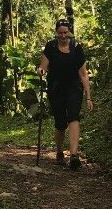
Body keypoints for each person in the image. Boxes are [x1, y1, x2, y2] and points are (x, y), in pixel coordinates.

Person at [37, 18, 93, 171]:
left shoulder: (76, 48)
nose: (62, 36)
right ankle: (60, 151)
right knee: (60, 122)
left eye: (65, 33)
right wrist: (41, 71)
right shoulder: (51, 47)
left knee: (74, 116)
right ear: (56, 32)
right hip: (56, 89)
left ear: (69, 32)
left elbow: (83, 75)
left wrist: (88, 96)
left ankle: (74, 155)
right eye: (60, 33)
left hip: (74, 88)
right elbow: (43, 66)